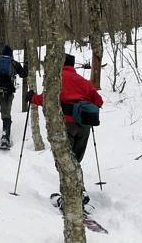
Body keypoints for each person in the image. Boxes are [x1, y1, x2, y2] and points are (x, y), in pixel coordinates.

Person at [25, 53, 103, 204]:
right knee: (75, 160)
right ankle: (79, 189)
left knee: (64, 161)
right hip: (84, 127)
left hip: (65, 125)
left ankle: (70, 197)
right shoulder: (83, 81)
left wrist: (32, 97)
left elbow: (46, 100)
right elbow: (98, 101)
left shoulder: (57, 80)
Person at [0, 45, 28, 149]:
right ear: (11, 54)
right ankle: (5, 137)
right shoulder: (14, 63)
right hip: (7, 94)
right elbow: (24, 74)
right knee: (6, 115)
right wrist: (26, 65)